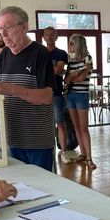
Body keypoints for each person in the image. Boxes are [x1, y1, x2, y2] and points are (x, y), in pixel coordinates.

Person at [0, 6, 56, 171]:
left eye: (8, 28)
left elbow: (47, 96)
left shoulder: (40, 53)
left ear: (24, 27)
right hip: (12, 138)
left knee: (45, 187)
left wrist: (11, 89)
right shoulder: (5, 55)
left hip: (37, 141)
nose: (3, 34)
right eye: (0, 28)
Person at [65, 34, 96, 169]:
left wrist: (75, 75)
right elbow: (66, 80)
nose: (69, 46)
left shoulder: (87, 58)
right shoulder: (71, 61)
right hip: (70, 95)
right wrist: (74, 73)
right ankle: (83, 154)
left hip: (81, 95)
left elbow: (81, 79)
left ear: (78, 44)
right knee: (76, 127)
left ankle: (89, 157)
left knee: (84, 128)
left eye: (72, 43)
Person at [43, 26, 71, 163]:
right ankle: (47, 149)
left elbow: (58, 70)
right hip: (41, 94)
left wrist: (45, 69)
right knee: (43, 124)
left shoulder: (61, 53)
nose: (49, 37)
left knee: (60, 123)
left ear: (56, 37)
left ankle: (64, 151)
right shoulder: (39, 52)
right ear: (43, 37)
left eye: (52, 34)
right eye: (47, 34)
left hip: (56, 93)